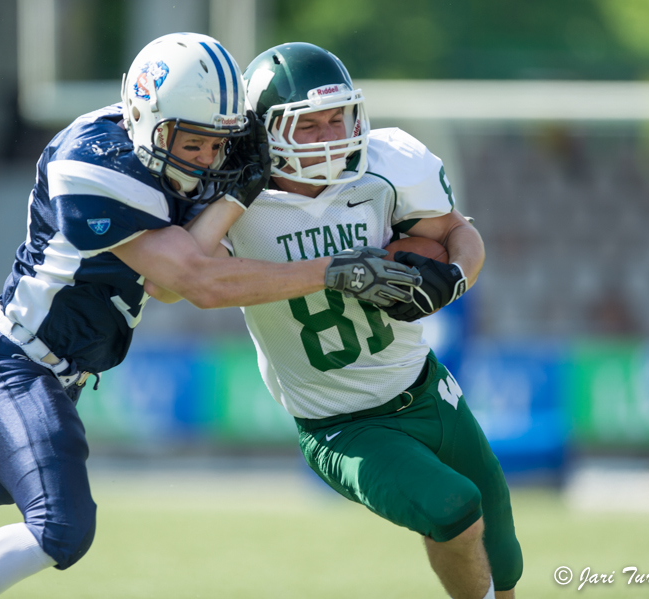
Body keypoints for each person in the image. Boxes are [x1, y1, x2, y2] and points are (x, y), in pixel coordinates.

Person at [0, 33, 420, 599]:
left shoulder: (191, 143)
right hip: (15, 364)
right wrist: (332, 269)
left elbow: (169, 285)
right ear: (146, 121)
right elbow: (188, 280)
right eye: (194, 144)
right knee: (62, 527)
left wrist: (239, 190)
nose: (209, 158)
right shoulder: (92, 161)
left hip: (51, 373)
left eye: (219, 144)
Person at [146, 42, 522, 599]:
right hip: (341, 424)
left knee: (504, 558)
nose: (331, 136)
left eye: (337, 118)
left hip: (427, 388)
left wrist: (456, 277)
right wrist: (254, 209)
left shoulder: (386, 165)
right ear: (265, 133)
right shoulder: (232, 194)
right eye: (309, 126)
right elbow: (170, 285)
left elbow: (459, 233)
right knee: (455, 509)